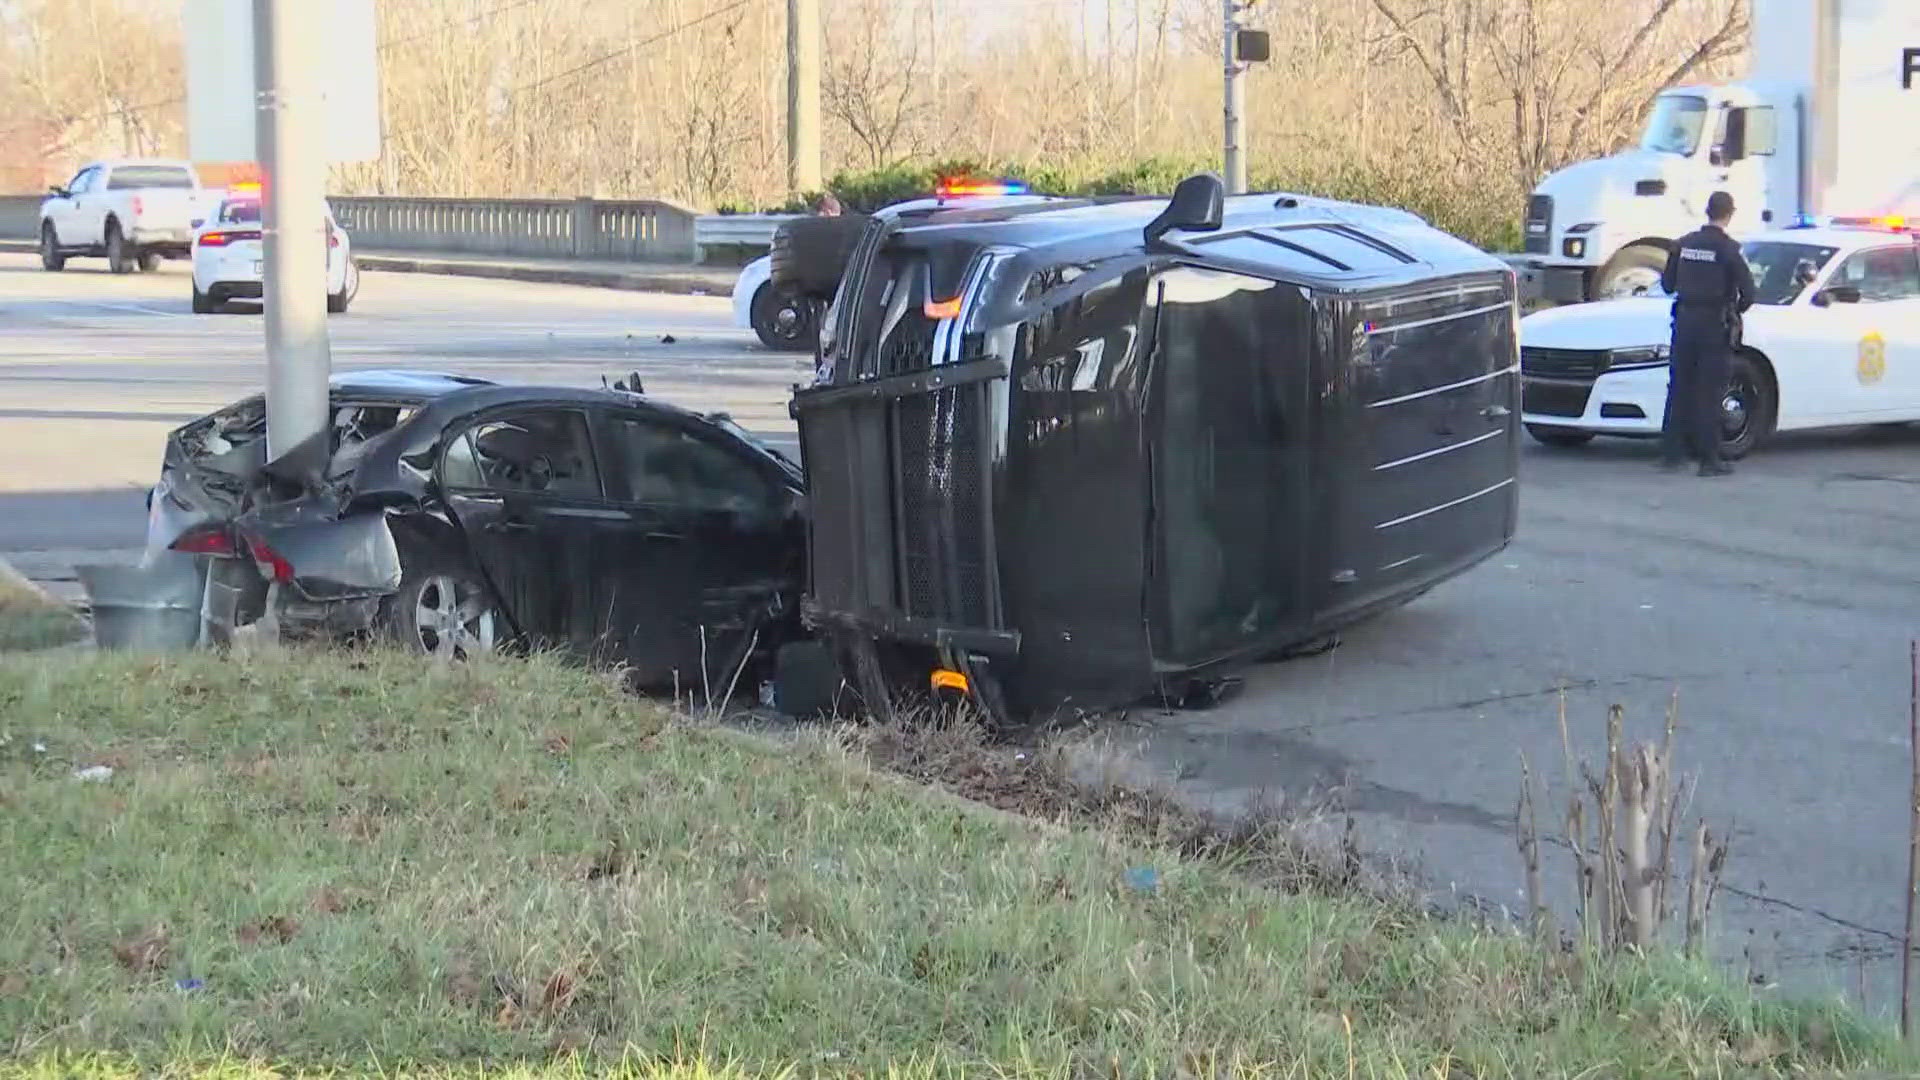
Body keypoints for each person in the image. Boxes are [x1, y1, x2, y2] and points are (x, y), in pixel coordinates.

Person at [1658, 191, 1755, 476]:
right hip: (1713, 325)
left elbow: (1667, 284)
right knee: (1710, 392)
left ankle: (1672, 454)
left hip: (1684, 321)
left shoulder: (1683, 245)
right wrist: (1733, 310)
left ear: (1707, 211)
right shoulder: (1728, 249)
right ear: (1729, 214)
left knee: (1679, 387)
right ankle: (1709, 460)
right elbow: (1748, 292)